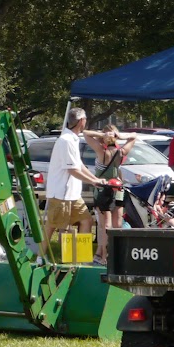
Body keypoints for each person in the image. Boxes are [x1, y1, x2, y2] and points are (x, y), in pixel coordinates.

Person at [41, 109, 107, 258]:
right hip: (61, 194)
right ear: (81, 121)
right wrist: (93, 181)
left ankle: (80, 259)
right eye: (85, 119)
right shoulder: (66, 140)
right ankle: (40, 256)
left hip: (73, 194)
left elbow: (79, 165)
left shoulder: (73, 139)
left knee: (86, 221)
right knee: (53, 226)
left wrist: (95, 179)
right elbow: (72, 170)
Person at [87, 127, 137, 262]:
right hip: (118, 189)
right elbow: (134, 136)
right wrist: (120, 135)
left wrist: (102, 134)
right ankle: (115, 255)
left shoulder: (102, 152)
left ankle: (104, 257)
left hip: (104, 190)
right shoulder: (120, 152)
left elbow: (86, 133)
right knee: (117, 225)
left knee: (105, 226)